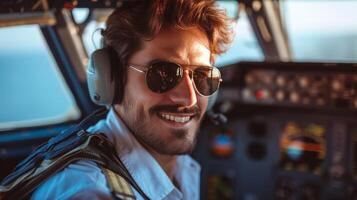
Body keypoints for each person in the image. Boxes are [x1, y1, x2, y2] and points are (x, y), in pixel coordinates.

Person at [3, 0, 233, 199]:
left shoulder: (184, 168)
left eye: (203, 76)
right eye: (164, 74)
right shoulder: (86, 190)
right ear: (112, 79)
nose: (189, 97)